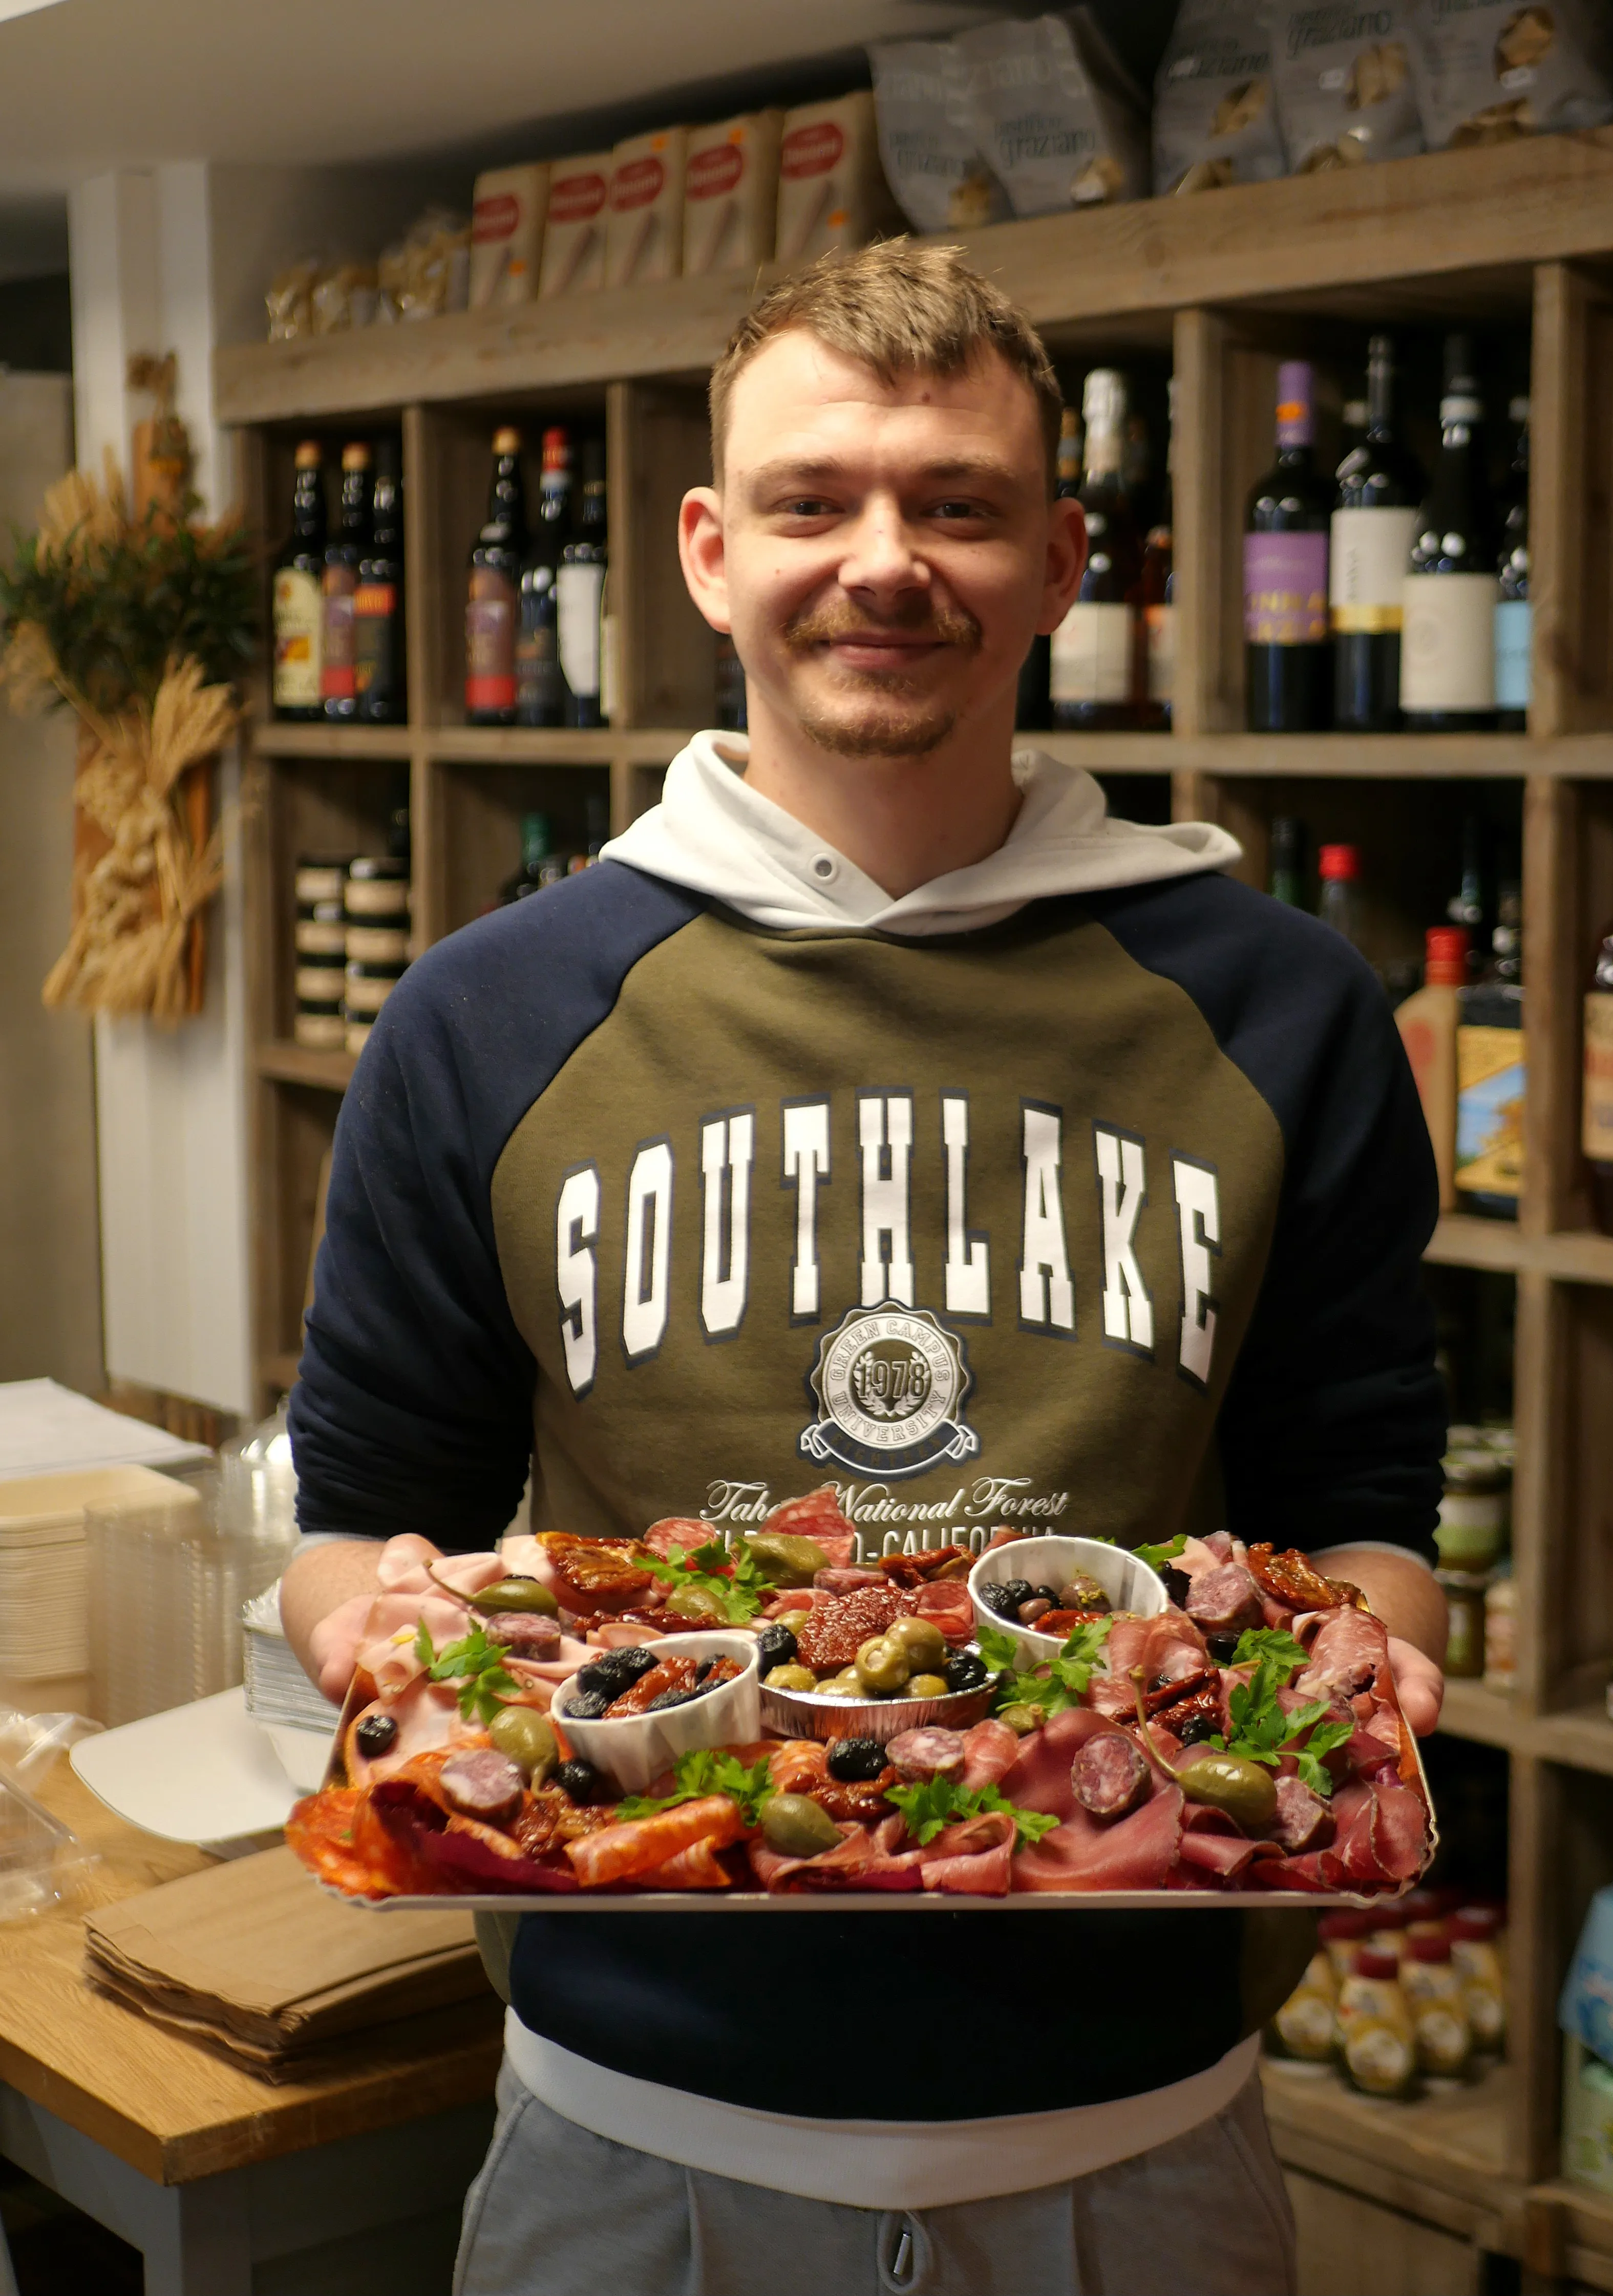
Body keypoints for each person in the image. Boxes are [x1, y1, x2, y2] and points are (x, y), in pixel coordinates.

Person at [281, 239, 1447, 2296]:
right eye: (815, 502)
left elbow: (1363, 1505)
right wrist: (383, 1634)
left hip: (1147, 2139)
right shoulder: (485, 1015)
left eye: (957, 502)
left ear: (1063, 557)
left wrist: (1367, 1654)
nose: (883, 560)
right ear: (711, 550)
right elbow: (359, 1518)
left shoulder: (1279, 1007)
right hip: (630, 2137)